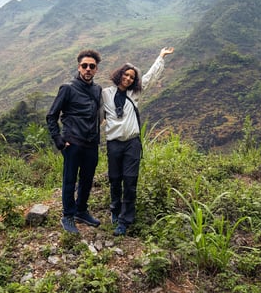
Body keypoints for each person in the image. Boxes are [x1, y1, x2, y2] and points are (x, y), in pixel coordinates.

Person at [102, 47, 174, 235]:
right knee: (115, 179)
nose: (128, 79)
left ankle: (125, 220)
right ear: (120, 75)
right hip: (114, 143)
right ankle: (115, 211)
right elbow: (93, 113)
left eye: (132, 77)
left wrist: (160, 57)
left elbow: (150, 78)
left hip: (132, 144)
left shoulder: (135, 94)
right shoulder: (105, 94)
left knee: (130, 180)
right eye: (126, 75)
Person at [46, 49, 104, 234]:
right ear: (79, 67)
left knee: (87, 180)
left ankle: (81, 210)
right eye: (84, 65)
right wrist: (59, 140)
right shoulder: (68, 88)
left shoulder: (97, 89)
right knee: (70, 180)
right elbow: (51, 115)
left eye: (92, 66)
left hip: (92, 142)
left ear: (96, 69)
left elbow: (99, 114)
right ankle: (67, 215)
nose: (88, 69)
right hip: (73, 142)